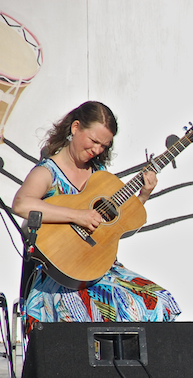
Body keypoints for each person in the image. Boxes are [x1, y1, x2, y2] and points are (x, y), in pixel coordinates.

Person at [12, 100, 180, 332]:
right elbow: (21, 204)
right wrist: (77, 215)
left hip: (100, 272)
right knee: (84, 313)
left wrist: (143, 195)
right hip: (59, 278)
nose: (97, 150)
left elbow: (118, 224)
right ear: (75, 128)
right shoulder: (47, 172)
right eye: (94, 141)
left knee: (158, 302)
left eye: (104, 145)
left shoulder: (99, 177)